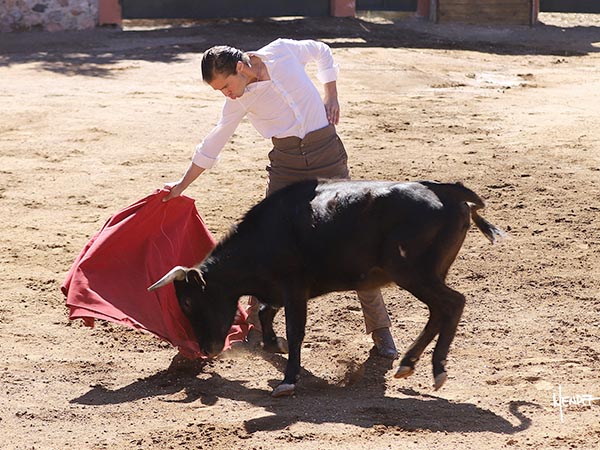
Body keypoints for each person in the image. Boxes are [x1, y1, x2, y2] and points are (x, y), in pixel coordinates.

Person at [163, 38, 398, 359]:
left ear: (242, 67)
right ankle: (257, 331)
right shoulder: (238, 101)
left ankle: (381, 331)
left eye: (227, 85)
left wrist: (332, 93)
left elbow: (322, 52)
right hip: (285, 166)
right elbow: (213, 142)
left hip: (327, 156)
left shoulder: (283, 51)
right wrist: (181, 184)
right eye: (219, 91)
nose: (226, 94)